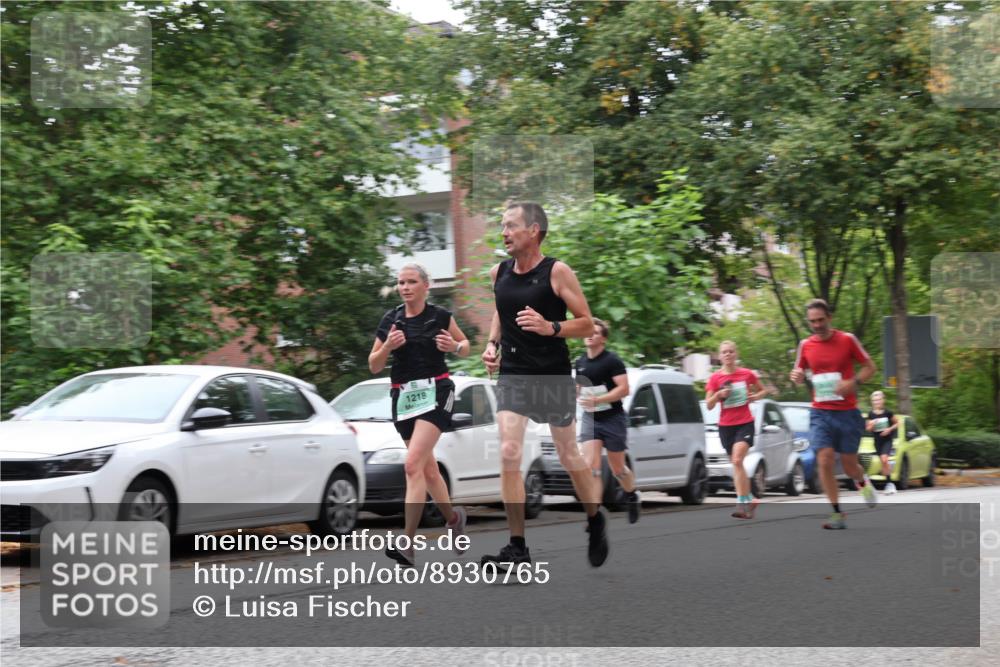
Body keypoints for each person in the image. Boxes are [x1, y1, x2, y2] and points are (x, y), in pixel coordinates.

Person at [481, 201, 608, 569]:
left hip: (551, 374)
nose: (503, 232)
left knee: (569, 456)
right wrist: (492, 345)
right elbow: (500, 313)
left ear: (533, 230)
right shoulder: (499, 273)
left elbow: (586, 323)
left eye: (510, 226)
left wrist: (551, 327)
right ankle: (517, 546)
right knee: (508, 451)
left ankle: (594, 517)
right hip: (515, 374)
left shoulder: (558, 272)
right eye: (502, 225)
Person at [369, 263, 472, 567]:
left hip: (437, 392)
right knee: (427, 471)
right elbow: (374, 365)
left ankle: (408, 544)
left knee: (412, 464)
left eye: (412, 281)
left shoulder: (439, 316)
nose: (405, 287)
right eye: (401, 282)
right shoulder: (391, 319)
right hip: (403, 397)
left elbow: (465, 346)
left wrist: (454, 346)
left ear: (426, 285)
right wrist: (387, 345)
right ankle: (454, 519)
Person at [790, 298, 879, 530]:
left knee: (850, 466)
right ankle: (837, 513)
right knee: (824, 459)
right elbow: (799, 371)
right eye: (812, 322)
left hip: (847, 413)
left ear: (829, 317)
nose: (817, 325)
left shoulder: (847, 340)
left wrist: (853, 382)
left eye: (820, 320)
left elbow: (871, 367)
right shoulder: (805, 345)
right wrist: (797, 377)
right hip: (820, 411)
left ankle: (862, 481)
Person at [575, 318, 639, 523]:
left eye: (594, 332)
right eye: (587, 331)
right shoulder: (580, 362)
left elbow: (624, 389)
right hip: (591, 418)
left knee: (618, 469)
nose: (589, 334)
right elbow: (579, 388)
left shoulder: (612, 361)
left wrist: (598, 399)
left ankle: (631, 495)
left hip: (613, 418)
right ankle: (595, 515)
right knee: (591, 466)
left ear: (603, 339)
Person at [705, 340, 768, 519]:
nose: (728, 354)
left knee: (737, 459)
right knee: (736, 463)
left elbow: (764, 391)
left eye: (731, 351)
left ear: (736, 354)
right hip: (725, 426)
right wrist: (718, 395)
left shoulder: (746, 374)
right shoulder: (715, 378)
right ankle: (750, 499)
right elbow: (709, 405)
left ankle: (741, 504)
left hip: (745, 423)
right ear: (720, 356)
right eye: (724, 352)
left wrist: (755, 396)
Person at [866, 390, 899, 494]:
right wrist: (871, 424)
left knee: (884, 459)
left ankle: (889, 484)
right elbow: (868, 429)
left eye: (879, 399)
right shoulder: (871, 414)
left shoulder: (888, 412)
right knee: (883, 462)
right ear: (872, 402)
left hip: (887, 440)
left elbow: (898, 423)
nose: (877, 402)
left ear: (883, 400)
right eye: (875, 400)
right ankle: (889, 484)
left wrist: (889, 429)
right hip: (877, 441)